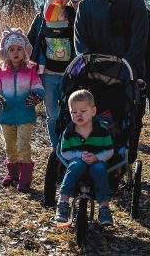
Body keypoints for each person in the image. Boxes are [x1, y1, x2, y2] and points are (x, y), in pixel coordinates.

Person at [74, 0, 148, 163]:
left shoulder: (133, 1)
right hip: (93, 76)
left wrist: (125, 69)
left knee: (130, 116)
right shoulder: (86, 7)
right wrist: (90, 64)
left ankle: (124, 158)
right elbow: (80, 42)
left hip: (128, 73)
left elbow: (138, 40)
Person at [0, 27, 44, 192]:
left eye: (19, 49)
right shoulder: (1, 71)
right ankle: (13, 173)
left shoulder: (30, 69)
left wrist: (37, 95)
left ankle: (25, 177)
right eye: (11, 49)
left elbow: (38, 86)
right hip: (7, 114)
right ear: (6, 53)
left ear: (25, 51)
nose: (16, 52)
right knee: (10, 145)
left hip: (26, 114)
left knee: (22, 145)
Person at [27, 0, 76, 149]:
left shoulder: (73, 15)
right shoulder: (42, 15)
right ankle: (55, 146)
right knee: (52, 113)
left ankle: (67, 142)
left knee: (69, 111)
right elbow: (30, 38)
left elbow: (79, 40)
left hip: (67, 74)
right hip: (47, 72)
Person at [55, 89, 114, 226]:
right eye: (74, 112)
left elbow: (109, 150)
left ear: (93, 112)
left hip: (97, 160)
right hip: (78, 159)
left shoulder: (102, 130)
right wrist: (79, 155)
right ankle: (63, 202)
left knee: (99, 168)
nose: (78, 115)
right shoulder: (69, 131)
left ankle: (104, 207)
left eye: (83, 111)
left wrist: (97, 157)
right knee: (76, 165)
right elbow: (65, 152)